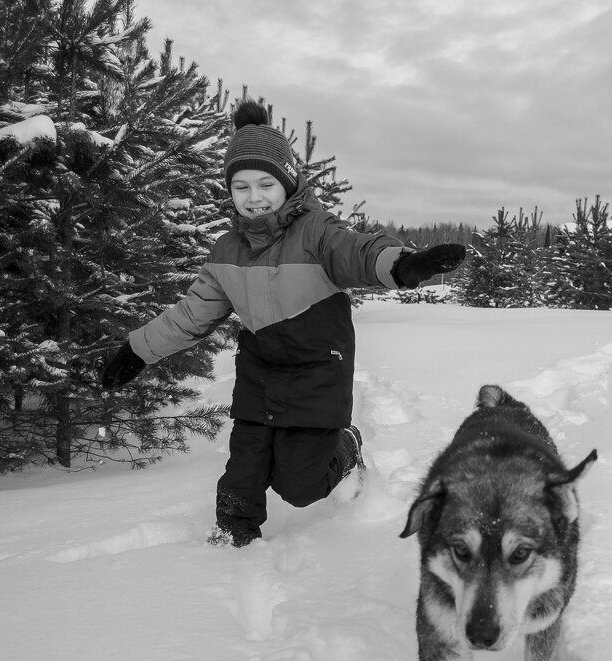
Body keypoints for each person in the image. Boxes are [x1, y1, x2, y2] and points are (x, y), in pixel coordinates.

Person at [101, 99, 465, 547]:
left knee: (300, 486)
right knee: (245, 466)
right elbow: (191, 315)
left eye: (265, 184)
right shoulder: (226, 251)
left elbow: (359, 251)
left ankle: (347, 446)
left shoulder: (316, 232)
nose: (254, 197)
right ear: (229, 192)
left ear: (287, 181)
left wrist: (402, 264)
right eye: (241, 187)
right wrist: (138, 349)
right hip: (260, 372)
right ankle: (234, 534)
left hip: (317, 372)